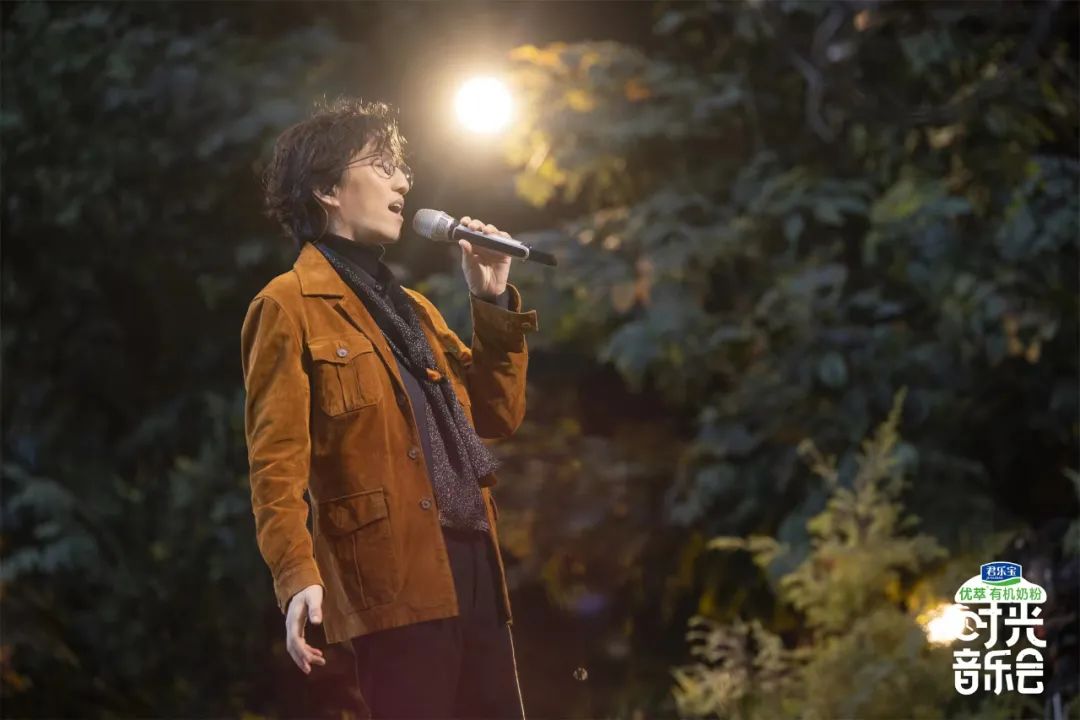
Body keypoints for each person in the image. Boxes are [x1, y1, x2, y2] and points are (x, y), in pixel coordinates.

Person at [241, 96, 537, 719]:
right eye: (382, 165)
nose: (403, 182)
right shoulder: (286, 305)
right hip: (393, 575)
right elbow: (275, 463)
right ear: (327, 189)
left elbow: (496, 416)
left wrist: (490, 300)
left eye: (401, 168)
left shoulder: (414, 310)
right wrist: (296, 575)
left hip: (476, 565)